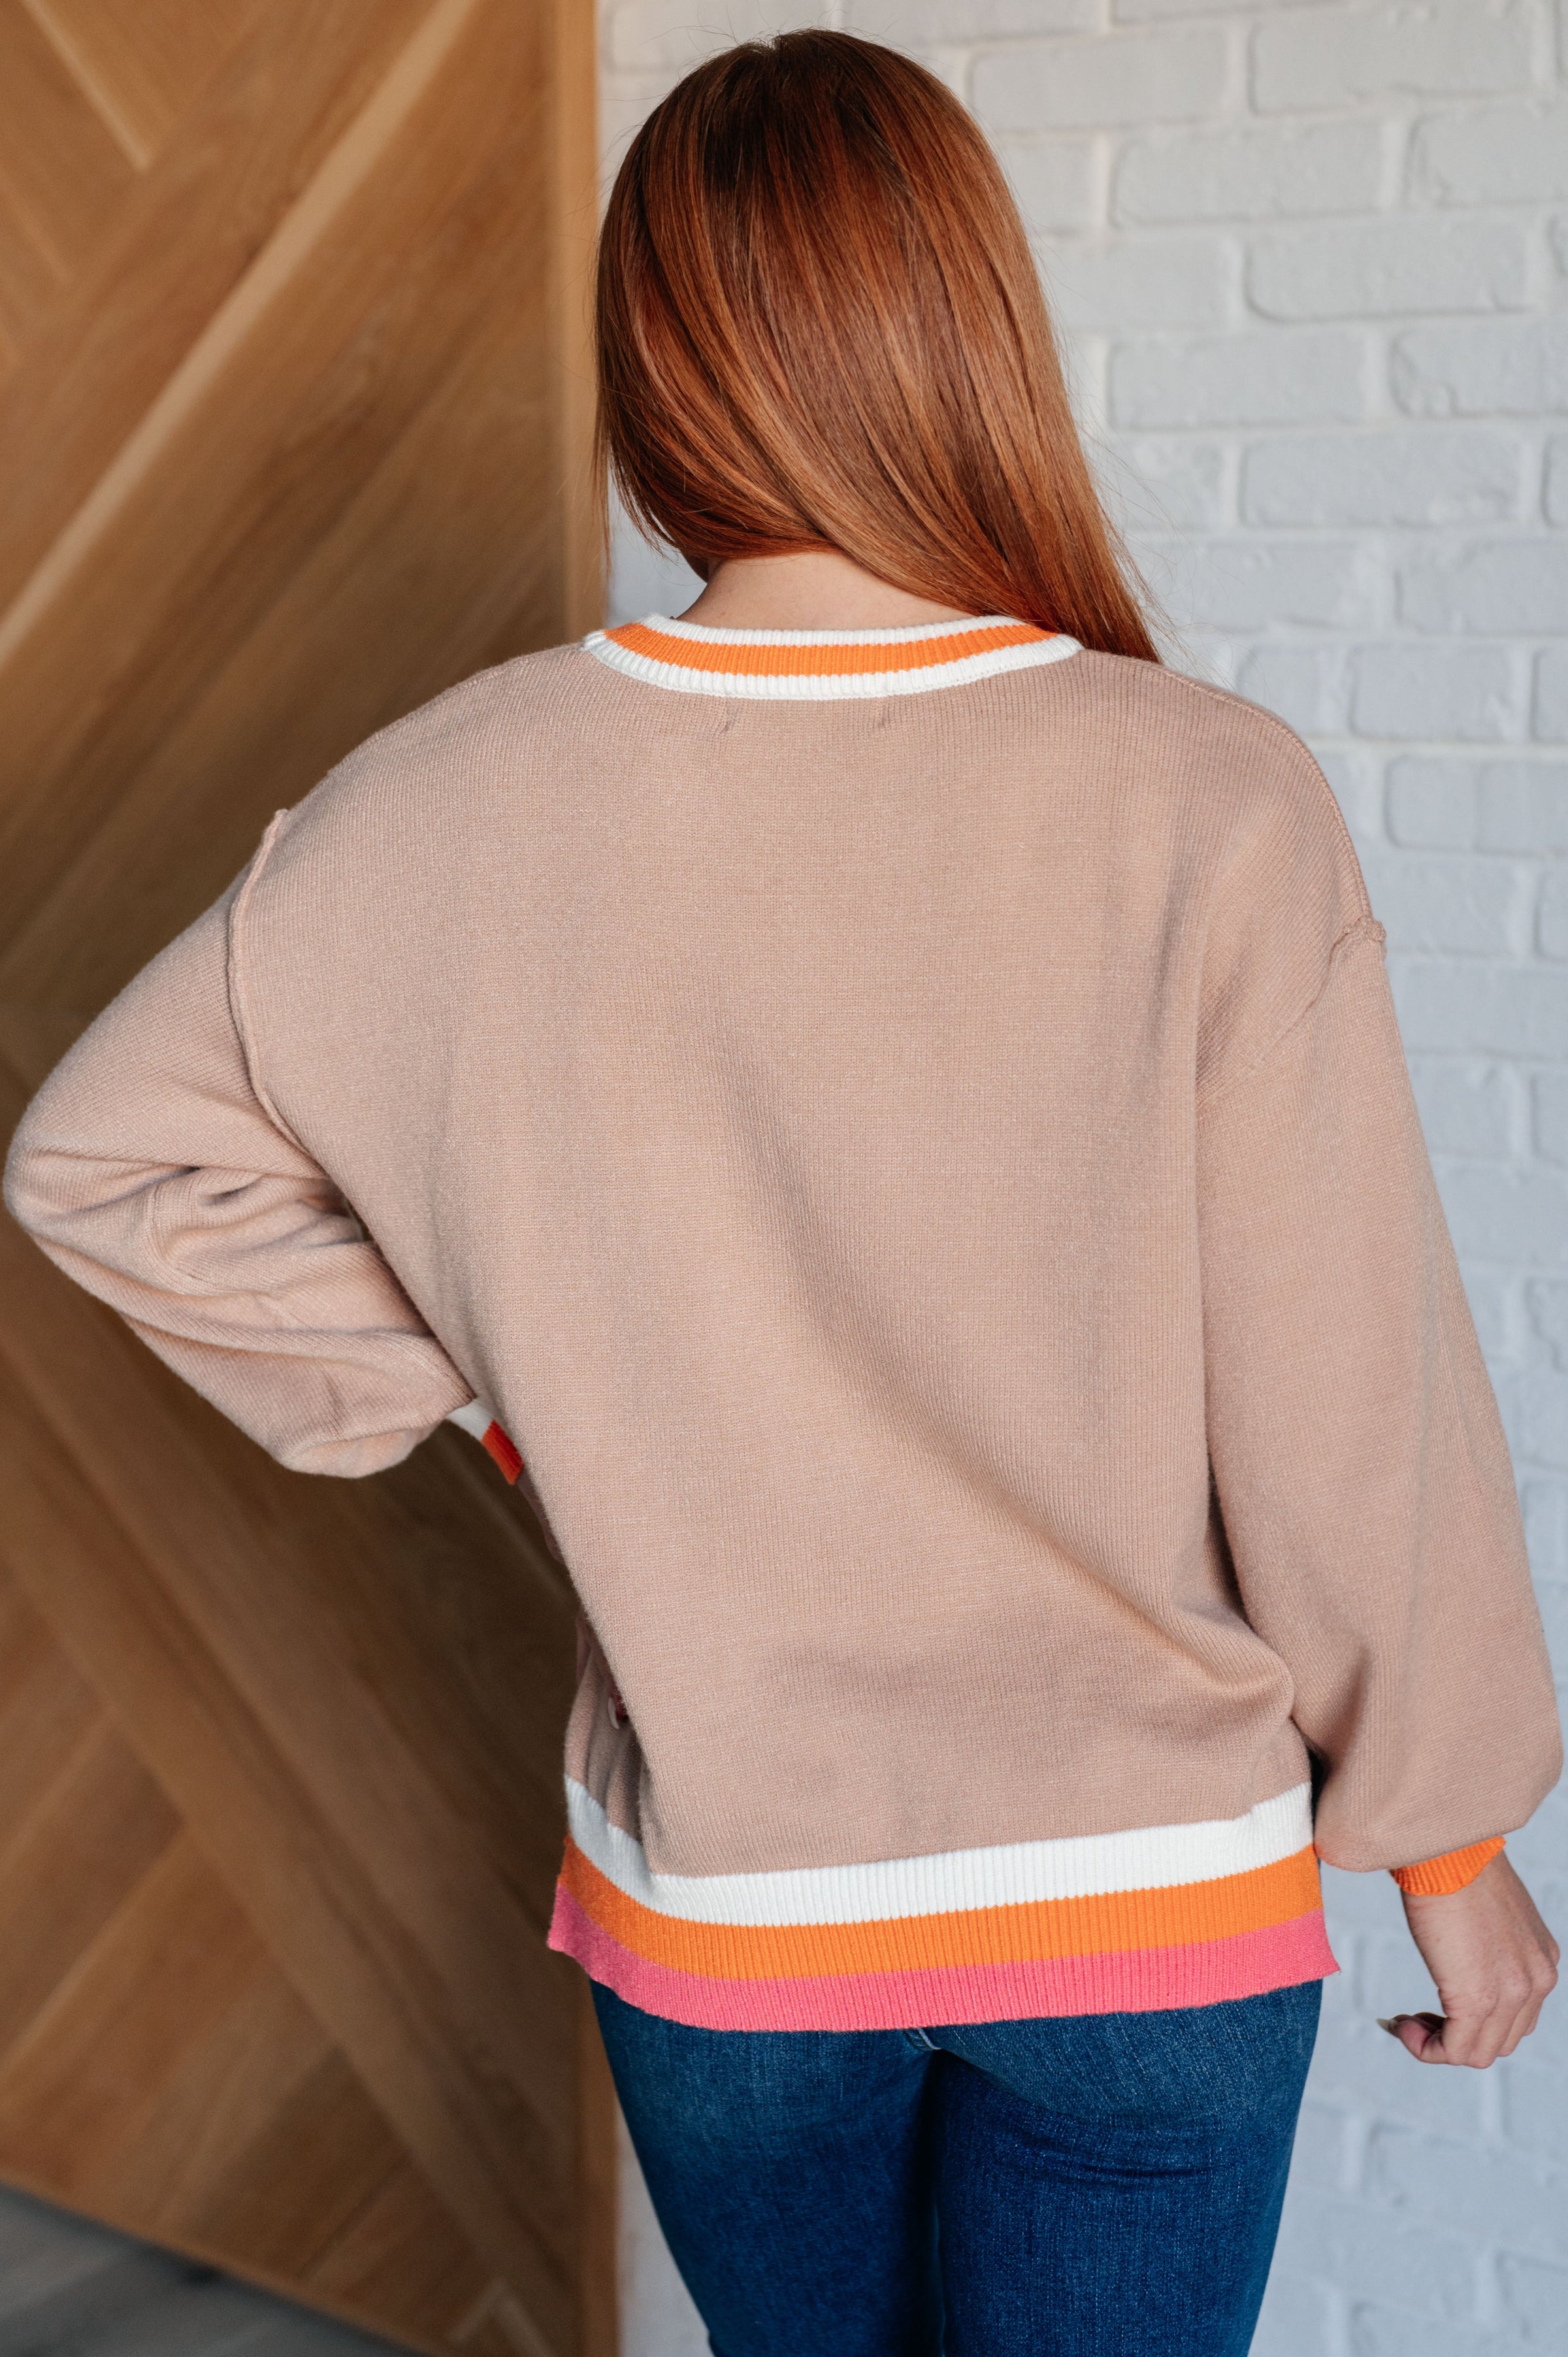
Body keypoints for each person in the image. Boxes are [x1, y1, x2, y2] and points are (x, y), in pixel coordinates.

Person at [5, 29, 1560, 2357]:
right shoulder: (1207, 797)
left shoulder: (451, 799)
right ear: (968, 338)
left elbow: (103, 1160)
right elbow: (1353, 1397)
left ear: (649, 373)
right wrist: (1451, 1844)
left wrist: (494, 1388)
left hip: (735, 1929)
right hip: (1148, 1918)